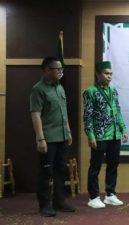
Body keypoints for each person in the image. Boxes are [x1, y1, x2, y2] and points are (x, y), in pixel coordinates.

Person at [30, 56, 76, 217]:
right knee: (45, 173)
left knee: (61, 170)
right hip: (48, 138)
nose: (61, 72)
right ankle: (44, 205)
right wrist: (40, 138)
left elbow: (64, 112)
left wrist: (68, 131)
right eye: (58, 69)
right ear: (47, 70)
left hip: (62, 136)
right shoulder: (38, 89)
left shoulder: (60, 88)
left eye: (61, 69)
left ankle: (59, 201)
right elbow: (36, 114)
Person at [83, 61, 128, 209]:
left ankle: (110, 194)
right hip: (100, 135)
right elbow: (87, 116)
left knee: (113, 164)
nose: (109, 77)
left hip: (114, 134)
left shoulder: (113, 90)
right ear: (97, 74)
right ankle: (94, 196)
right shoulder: (90, 92)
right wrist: (90, 135)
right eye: (106, 73)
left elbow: (118, 110)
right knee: (95, 166)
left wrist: (123, 129)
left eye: (110, 74)